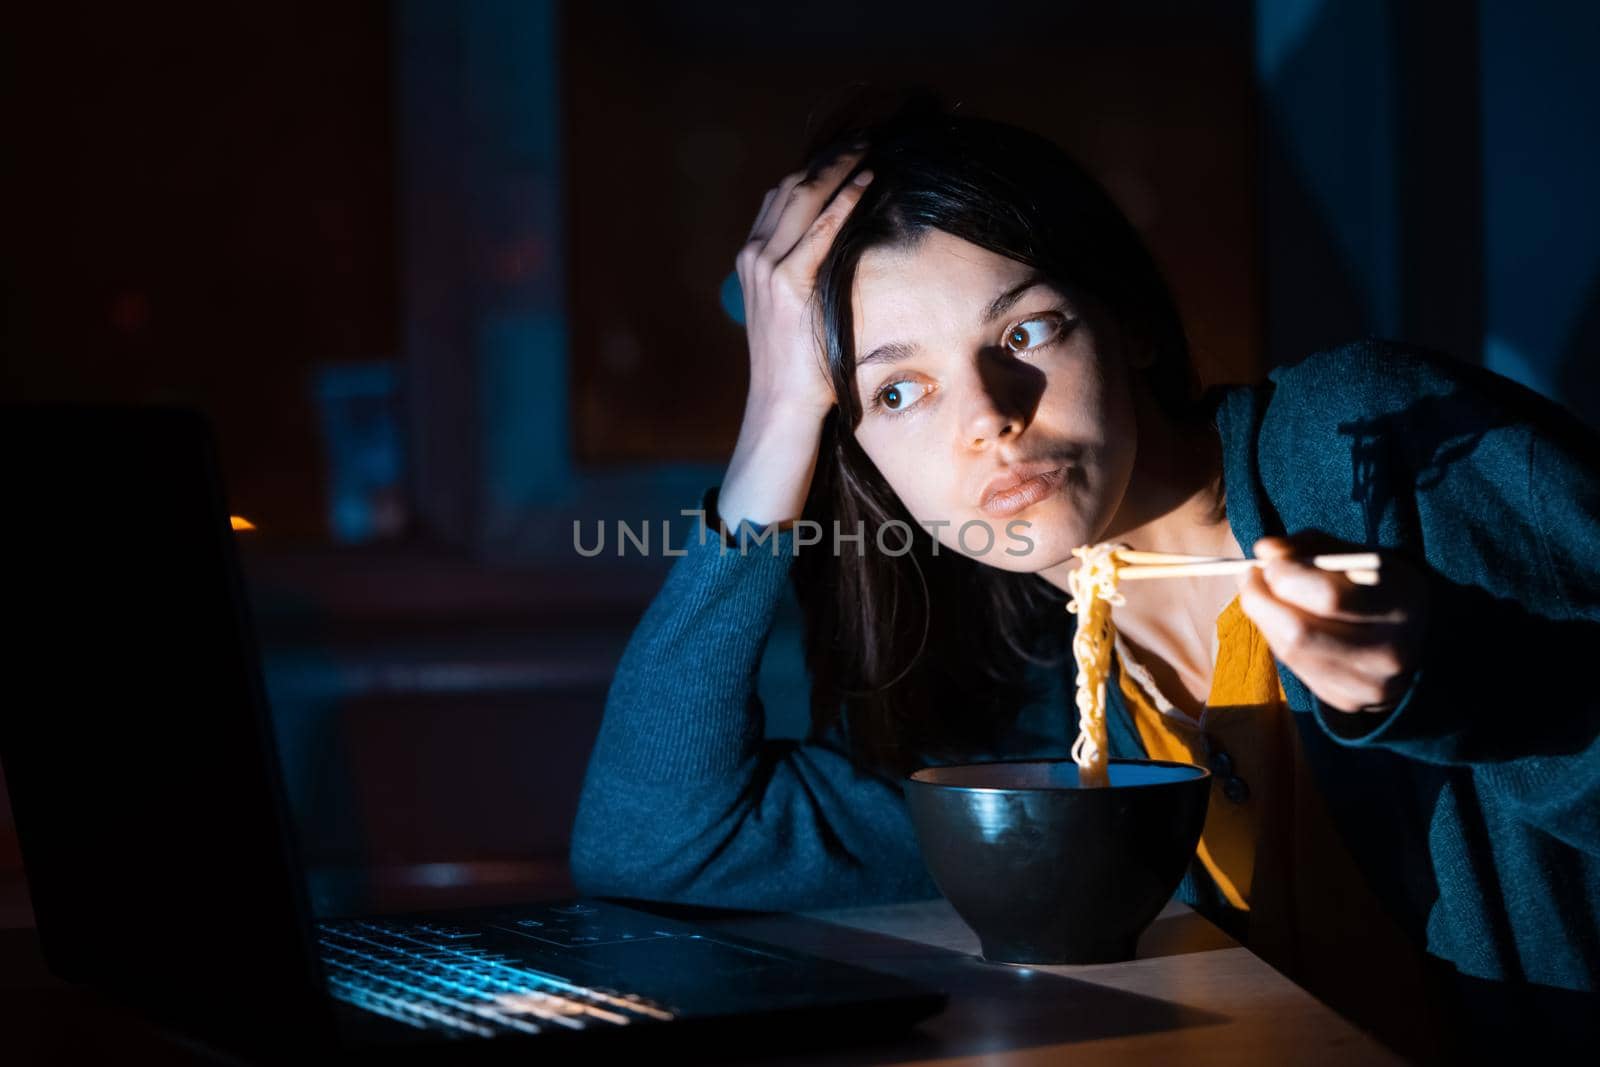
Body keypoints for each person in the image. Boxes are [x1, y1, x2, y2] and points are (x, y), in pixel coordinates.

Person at [568, 98, 1600, 1060]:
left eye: (1023, 332)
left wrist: (1454, 678)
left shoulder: (1372, 445)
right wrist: (774, 424)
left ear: (1128, 323)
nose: (987, 414)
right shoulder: (1047, 714)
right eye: (898, 389)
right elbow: (657, 846)